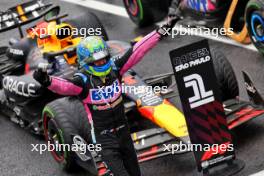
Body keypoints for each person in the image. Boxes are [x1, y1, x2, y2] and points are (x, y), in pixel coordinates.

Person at [33, 15, 179, 176]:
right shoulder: (81, 82)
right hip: (104, 141)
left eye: (104, 59)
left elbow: (138, 50)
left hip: (124, 135)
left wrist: (163, 29)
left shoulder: (116, 69)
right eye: (97, 61)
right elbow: (63, 86)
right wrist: (46, 80)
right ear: (87, 62)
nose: (102, 63)